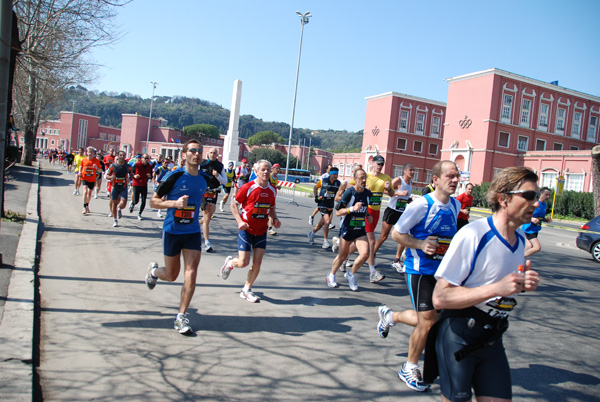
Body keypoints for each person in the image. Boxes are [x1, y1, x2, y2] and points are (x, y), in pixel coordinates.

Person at [426, 166, 541, 402]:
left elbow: (501, 286)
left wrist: (521, 284)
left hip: (493, 339)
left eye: (537, 197)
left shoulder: (520, 240)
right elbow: (440, 298)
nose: (536, 203)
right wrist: (497, 288)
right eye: (529, 196)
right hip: (459, 335)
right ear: (503, 198)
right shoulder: (474, 235)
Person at [377, 160, 460, 392]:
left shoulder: (454, 205)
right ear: (436, 180)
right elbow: (397, 233)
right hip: (420, 271)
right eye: (450, 176)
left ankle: (390, 316)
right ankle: (409, 366)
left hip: (444, 273)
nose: (455, 180)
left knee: (433, 319)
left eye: (457, 176)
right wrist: (421, 243)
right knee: (428, 320)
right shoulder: (421, 205)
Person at [145, 140, 210, 334]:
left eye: (199, 151)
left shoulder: (204, 179)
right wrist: (173, 204)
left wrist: (206, 209)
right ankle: (154, 272)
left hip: (191, 233)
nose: (197, 154)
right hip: (172, 231)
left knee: (191, 272)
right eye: (192, 151)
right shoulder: (174, 176)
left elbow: (202, 199)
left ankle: (181, 316)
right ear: (184, 155)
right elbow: (153, 202)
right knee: (172, 275)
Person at [219, 160, 280, 303]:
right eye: (263, 170)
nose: (265, 172)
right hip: (247, 229)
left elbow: (271, 208)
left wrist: (275, 219)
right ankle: (229, 263)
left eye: (268, 170)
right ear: (256, 171)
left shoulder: (272, 190)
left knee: (257, 263)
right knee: (243, 262)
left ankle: (246, 289)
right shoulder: (248, 187)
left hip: (261, 230)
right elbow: (234, 204)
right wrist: (239, 221)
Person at [345, 155, 393, 283]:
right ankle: (372, 272)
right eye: (378, 163)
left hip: (376, 212)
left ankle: (345, 256)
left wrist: (388, 189)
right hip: (366, 211)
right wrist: (363, 189)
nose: (380, 166)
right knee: (371, 241)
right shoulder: (366, 177)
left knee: (362, 241)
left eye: (382, 164)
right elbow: (350, 187)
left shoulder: (386, 178)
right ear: (372, 163)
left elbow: (392, 194)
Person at [326, 168, 372, 290]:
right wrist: (352, 209)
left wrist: (368, 215)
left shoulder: (368, 194)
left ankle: (351, 274)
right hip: (347, 228)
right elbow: (338, 212)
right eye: (361, 178)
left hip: (360, 229)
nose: (363, 180)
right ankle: (331, 275)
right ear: (355, 179)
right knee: (343, 255)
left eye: (365, 177)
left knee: (365, 254)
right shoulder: (349, 193)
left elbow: (365, 208)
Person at [372, 163, 415, 273]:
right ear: (404, 171)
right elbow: (385, 190)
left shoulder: (410, 183)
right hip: (391, 211)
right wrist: (398, 193)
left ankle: (397, 260)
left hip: (401, 212)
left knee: (403, 236)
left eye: (414, 170)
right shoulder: (398, 180)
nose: (413, 172)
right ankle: (372, 256)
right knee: (383, 236)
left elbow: (404, 197)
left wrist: (407, 199)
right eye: (410, 170)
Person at [199, 147, 228, 252]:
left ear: (217, 155)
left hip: (214, 192)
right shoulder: (202, 164)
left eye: (214, 153)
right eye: (210, 152)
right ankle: (207, 243)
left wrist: (218, 175)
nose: (212, 154)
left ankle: (195, 224)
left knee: (208, 217)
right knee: (206, 216)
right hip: (204, 192)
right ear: (208, 154)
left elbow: (225, 181)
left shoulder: (220, 166)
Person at [308, 167, 341, 248]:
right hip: (322, 204)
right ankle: (325, 242)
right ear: (330, 174)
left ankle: (311, 233)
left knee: (321, 223)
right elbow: (315, 187)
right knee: (327, 221)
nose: (335, 176)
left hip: (330, 205)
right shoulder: (324, 180)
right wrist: (316, 197)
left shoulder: (338, 183)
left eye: (337, 174)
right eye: (334, 174)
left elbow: (339, 194)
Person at [522, 186, 552, 257]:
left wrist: (546, 220)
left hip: (535, 229)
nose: (548, 197)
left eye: (549, 195)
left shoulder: (544, 205)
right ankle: (518, 260)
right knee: (537, 247)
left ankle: (517, 261)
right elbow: (523, 213)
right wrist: (532, 219)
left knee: (529, 247)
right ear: (541, 194)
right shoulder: (535, 203)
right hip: (528, 229)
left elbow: (540, 217)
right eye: (546, 195)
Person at [105, 151, 133, 227]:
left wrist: (130, 179)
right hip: (115, 186)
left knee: (123, 203)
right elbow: (106, 176)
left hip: (123, 186)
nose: (122, 157)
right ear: (118, 156)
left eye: (123, 155)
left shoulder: (128, 166)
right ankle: (115, 220)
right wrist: (111, 177)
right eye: (120, 155)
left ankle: (119, 208)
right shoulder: (113, 166)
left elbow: (131, 175)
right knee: (114, 202)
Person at [129, 153, 153, 220]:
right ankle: (132, 204)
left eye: (147, 159)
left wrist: (150, 176)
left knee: (143, 200)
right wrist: (134, 176)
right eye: (145, 158)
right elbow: (131, 172)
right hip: (136, 184)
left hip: (144, 184)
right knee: (136, 200)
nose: (146, 160)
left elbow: (151, 175)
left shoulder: (150, 166)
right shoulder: (136, 165)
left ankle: (139, 214)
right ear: (142, 158)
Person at [79, 147, 102, 215]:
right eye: (88, 152)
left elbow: (100, 170)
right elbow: (81, 166)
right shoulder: (84, 159)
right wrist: (80, 172)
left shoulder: (96, 161)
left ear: (93, 153)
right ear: (86, 153)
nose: (90, 153)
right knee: (85, 192)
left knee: (89, 193)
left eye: (91, 152)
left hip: (92, 179)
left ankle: (87, 205)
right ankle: (84, 207)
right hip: (84, 178)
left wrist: (96, 168)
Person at [268, 163, 282, 235]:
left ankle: (270, 228)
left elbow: (273, 185)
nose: (278, 170)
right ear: (272, 169)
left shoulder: (276, 178)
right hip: (266, 196)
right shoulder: (268, 176)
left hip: (272, 197)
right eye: (277, 168)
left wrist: (277, 187)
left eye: (279, 169)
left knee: (272, 211)